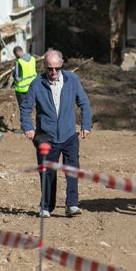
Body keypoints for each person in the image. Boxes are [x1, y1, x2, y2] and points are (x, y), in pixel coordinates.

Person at [20, 50, 92, 217]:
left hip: (69, 135)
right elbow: (25, 108)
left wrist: (86, 125)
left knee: (72, 170)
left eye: (57, 69)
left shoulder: (72, 80)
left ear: (62, 66)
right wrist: (28, 127)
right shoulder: (36, 84)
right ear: (45, 67)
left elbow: (84, 103)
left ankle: (72, 205)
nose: (53, 73)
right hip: (46, 136)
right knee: (47, 172)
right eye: (49, 69)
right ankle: (46, 206)